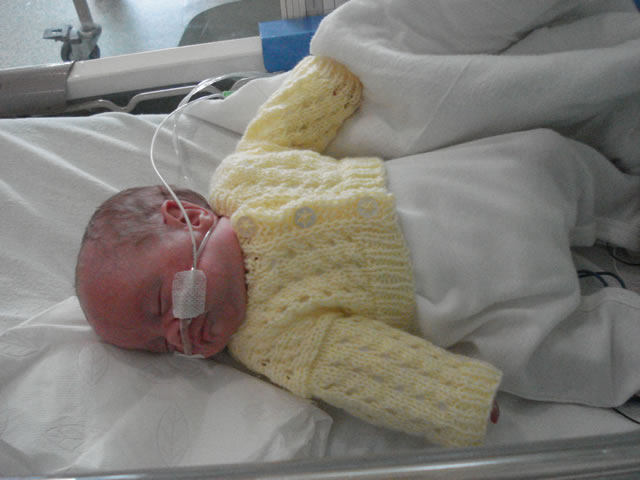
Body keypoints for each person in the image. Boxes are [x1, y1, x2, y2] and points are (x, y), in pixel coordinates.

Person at [76, 56, 640, 447]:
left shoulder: (242, 177)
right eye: (160, 347)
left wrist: (332, 73)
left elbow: (283, 126)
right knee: (551, 359)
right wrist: (446, 395)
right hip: (473, 298)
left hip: (471, 193)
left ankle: (625, 210)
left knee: (546, 162)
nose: (177, 335)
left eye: (160, 305)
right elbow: (358, 365)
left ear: (186, 217)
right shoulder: (265, 340)